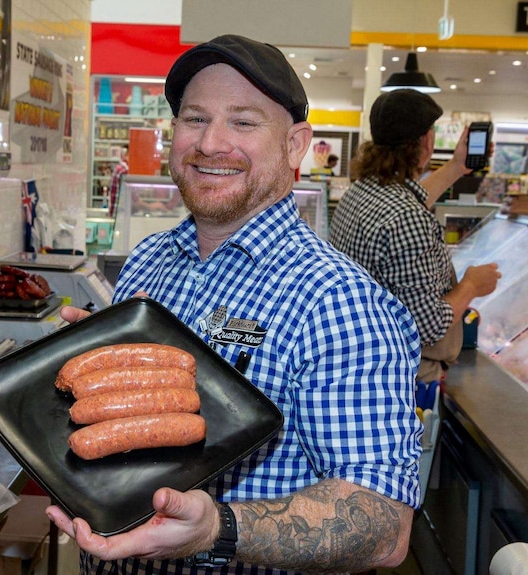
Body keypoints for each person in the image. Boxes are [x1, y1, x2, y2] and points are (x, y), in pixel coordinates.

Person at [48, 34, 423, 574]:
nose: (212, 143)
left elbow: (384, 526)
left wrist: (217, 528)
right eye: (195, 119)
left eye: (243, 123)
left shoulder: (340, 300)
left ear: (295, 146)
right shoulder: (151, 259)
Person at [329, 89, 501, 383]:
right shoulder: (406, 216)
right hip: (406, 379)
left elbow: (410, 202)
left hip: (363, 364)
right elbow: (427, 327)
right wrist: (471, 285)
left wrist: (458, 166)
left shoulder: (361, 192)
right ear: (427, 140)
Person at [108, 145, 129, 216]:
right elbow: (134, 201)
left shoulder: (118, 168)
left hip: (115, 214)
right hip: (120, 216)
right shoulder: (124, 171)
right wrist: (150, 206)